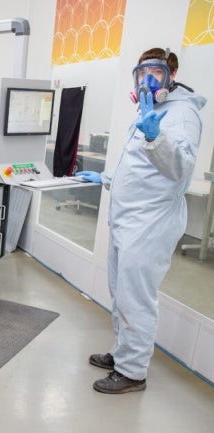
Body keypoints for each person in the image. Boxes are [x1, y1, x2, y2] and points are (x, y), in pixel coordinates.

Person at [77, 47, 207, 394]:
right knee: (121, 295)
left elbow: (179, 168)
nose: (148, 80)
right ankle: (122, 355)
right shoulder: (149, 108)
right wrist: (105, 178)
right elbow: (136, 168)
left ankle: (133, 372)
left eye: (157, 73)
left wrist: (155, 135)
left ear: (171, 76)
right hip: (129, 219)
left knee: (136, 299)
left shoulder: (180, 115)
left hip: (150, 223)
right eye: (142, 73)